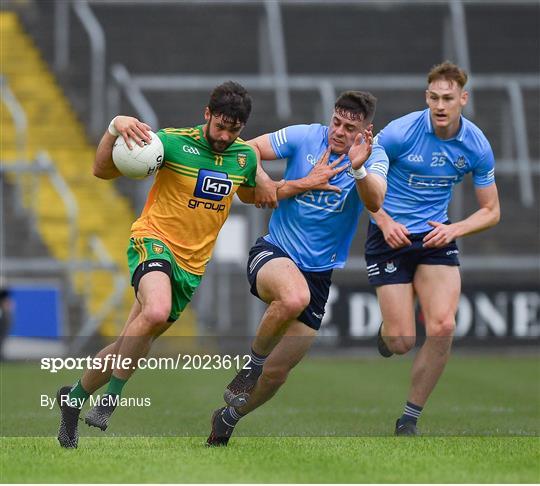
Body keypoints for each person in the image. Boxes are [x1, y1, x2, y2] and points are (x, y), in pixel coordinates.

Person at [56, 81, 341, 449]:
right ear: (207, 113)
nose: (224, 136)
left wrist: (305, 182)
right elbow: (101, 170)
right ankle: (111, 400)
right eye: (220, 125)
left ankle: (73, 399)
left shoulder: (244, 157)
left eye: (234, 130)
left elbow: (261, 195)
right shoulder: (170, 143)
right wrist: (114, 128)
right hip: (153, 242)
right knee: (155, 311)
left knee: (131, 342)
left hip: (190, 268)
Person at [207, 91, 389, 446]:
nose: (338, 131)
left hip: (319, 274)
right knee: (293, 297)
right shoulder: (304, 135)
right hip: (274, 251)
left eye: (349, 127)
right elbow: (247, 149)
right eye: (336, 122)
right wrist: (262, 179)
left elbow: (375, 200)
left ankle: (227, 418)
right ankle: (250, 366)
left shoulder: (372, 157)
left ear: (365, 131)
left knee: (277, 375)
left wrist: (358, 167)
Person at [366, 61, 500, 436]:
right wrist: (385, 221)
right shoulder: (399, 133)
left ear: (463, 99)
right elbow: (363, 183)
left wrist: (455, 229)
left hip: (434, 238)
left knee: (443, 326)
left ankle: (409, 418)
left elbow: (492, 211)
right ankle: (389, 331)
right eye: (434, 98)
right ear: (426, 97)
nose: (440, 105)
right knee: (402, 341)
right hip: (389, 235)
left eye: (448, 98)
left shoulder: (475, 144)